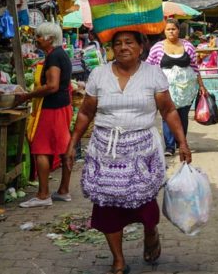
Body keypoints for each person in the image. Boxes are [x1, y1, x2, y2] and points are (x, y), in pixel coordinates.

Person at [65, 30, 191, 274]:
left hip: (141, 149)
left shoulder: (153, 74)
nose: (123, 47)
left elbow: (168, 110)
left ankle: (151, 232)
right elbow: (85, 112)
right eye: (118, 43)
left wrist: (182, 142)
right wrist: (73, 144)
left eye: (129, 42)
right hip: (105, 150)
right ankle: (118, 259)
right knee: (107, 206)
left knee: (144, 204)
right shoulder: (99, 74)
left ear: (141, 47)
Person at [15, 22, 73, 208]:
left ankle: (43, 195)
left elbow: (52, 86)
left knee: (41, 149)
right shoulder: (60, 54)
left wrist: (27, 96)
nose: (37, 40)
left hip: (52, 108)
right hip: (62, 106)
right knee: (64, 149)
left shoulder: (54, 57)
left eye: (40, 36)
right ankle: (63, 191)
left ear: (49, 39)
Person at [146, 18, 208, 156]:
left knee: (183, 116)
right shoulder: (157, 47)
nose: (171, 32)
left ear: (178, 30)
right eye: (168, 29)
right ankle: (169, 147)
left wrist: (202, 85)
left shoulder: (188, 46)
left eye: (173, 29)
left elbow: (194, 67)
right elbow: (148, 66)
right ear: (164, 31)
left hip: (187, 89)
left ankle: (181, 143)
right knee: (166, 115)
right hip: (165, 89)